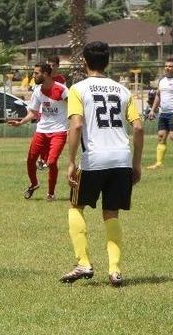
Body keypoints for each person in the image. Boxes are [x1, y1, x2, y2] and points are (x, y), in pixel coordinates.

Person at [60, 41, 143, 287]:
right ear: (108, 61)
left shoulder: (78, 89)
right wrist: (136, 164)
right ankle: (115, 270)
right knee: (111, 213)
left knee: (76, 206)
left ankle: (83, 262)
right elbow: (138, 127)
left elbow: (76, 125)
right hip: (121, 159)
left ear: (85, 61)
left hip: (94, 158)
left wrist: (71, 161)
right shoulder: (123, 90)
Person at [8, 63, 68, 201]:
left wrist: (75, 124)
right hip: (41, 131)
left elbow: (75, 106)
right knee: (30, 160)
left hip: (59, 131)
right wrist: (21, 122)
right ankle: (34, 184)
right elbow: (34, 112)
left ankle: (51, 193)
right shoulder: (37, 91)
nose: (33, 76)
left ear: (46, 74)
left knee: (52, 162)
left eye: (36, 73)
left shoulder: (62, 90)